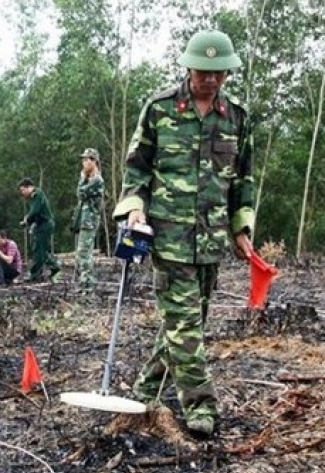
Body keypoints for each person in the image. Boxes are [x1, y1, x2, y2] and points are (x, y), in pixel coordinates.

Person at [112, 30, 254, 436]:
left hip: (211, 239)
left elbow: (243, 179)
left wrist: (242, 228)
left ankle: (145, 390)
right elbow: (136, 168)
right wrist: (135, 207)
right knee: (186, 326)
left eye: (219, 73)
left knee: (185, 323)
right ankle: (201, 406)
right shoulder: (159, 110)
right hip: (168, 236)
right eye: (203, 72)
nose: (210, 79)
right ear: (188, 67)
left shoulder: (237, 118)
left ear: (227, 72)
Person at [72, 148, 105, 294]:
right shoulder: (89, 179)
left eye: (87, 160)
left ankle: (87, 286)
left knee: (84, 253)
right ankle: (83, 284)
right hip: (84, 220)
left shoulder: (96, 180)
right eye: (83, 160)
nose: (84, 163)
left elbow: (81, 193)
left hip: (89, 221)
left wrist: (82, 178)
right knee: (81, 253)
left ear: (94, 161)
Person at [17, 178, 61, 283]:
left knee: (39, 249)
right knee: (39, 249)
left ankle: (36, 273)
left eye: (23, 190)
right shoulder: (31, 199)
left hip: (44, 224)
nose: (22, 193)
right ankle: (51, 267)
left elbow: (35, 211)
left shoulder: (37, 194)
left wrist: (27, 220)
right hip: (38, 225)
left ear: (29, 187)